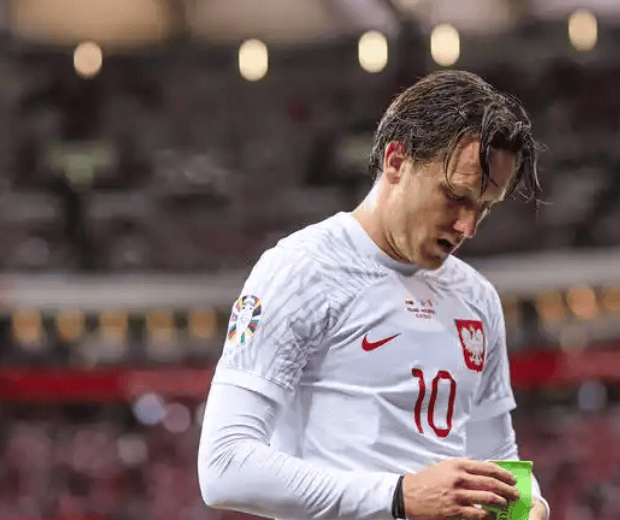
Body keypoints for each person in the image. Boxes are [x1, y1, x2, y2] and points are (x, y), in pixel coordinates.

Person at [197, 70, 550, 520]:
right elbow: (224, 466)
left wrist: (531, 505)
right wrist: (398, 496)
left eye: (484, 207)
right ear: (397, 162)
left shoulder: (477, 298)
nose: (468, 226)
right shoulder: (301, 270)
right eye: (455, 196)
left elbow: (495, 455)